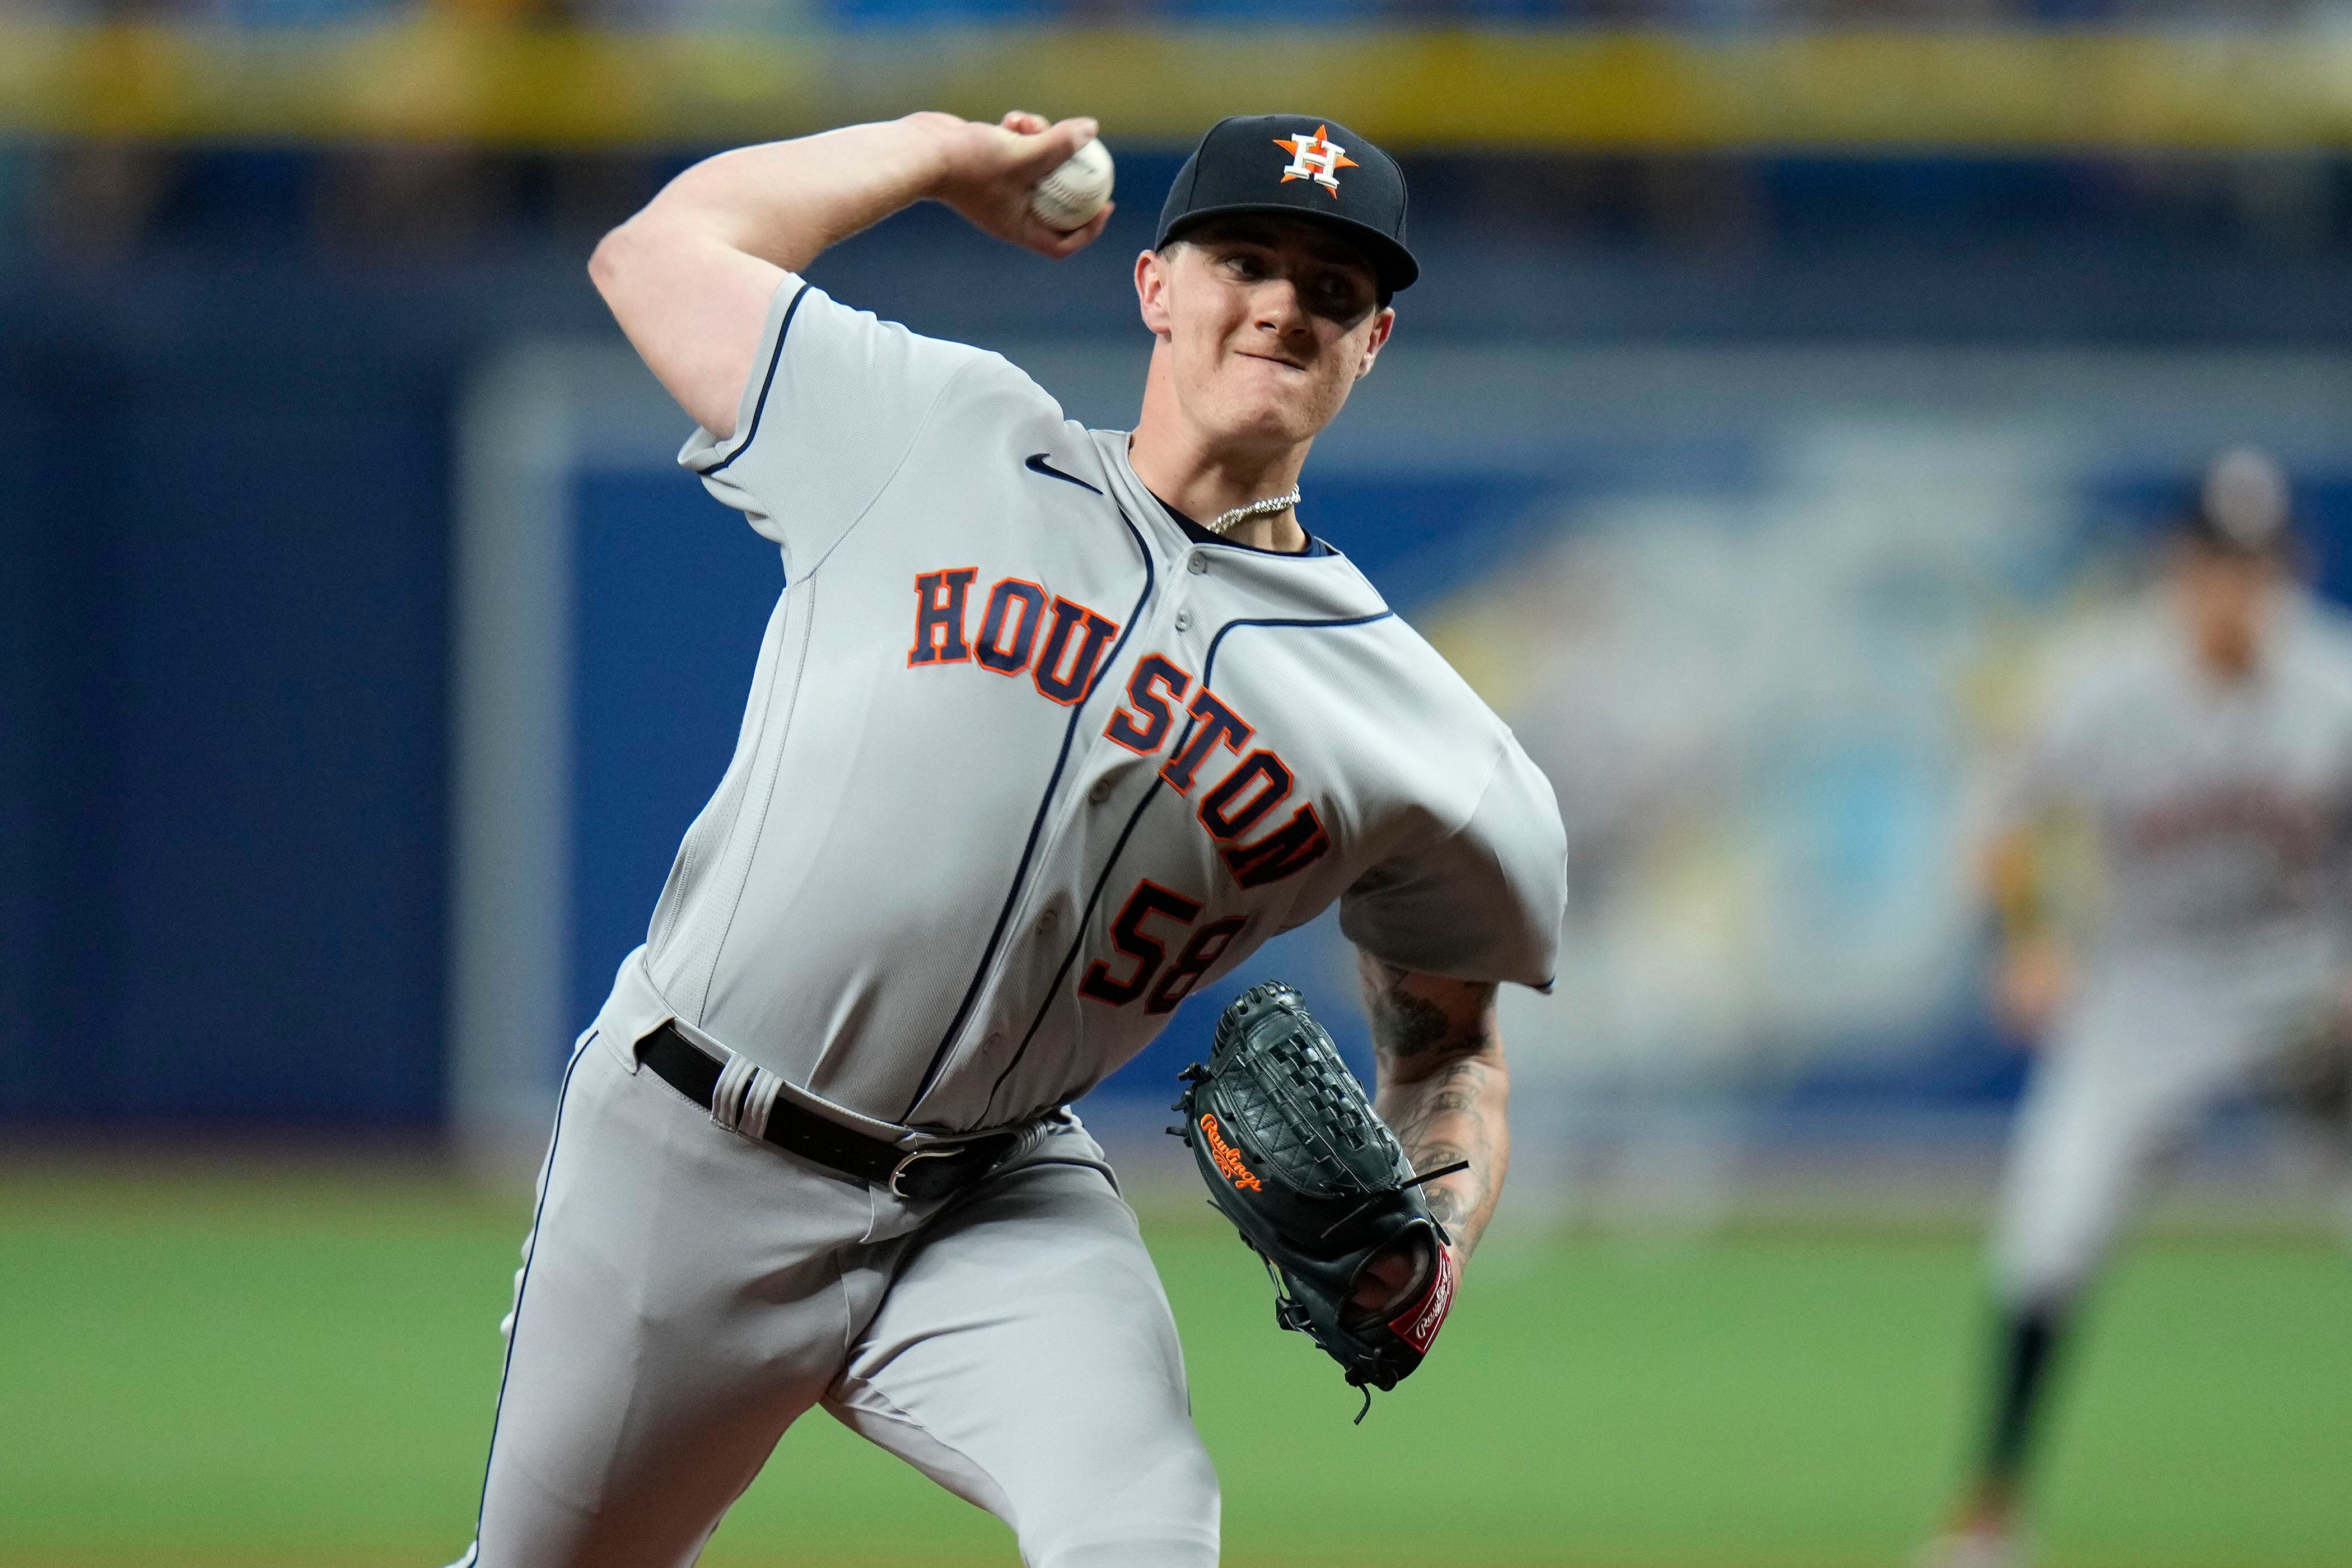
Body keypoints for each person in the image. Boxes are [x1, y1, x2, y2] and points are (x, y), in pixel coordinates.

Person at [444, 109, 1567, 1568]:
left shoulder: (1431, 742)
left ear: (1376, 344)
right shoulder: (936, 433)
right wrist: (936, 149)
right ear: (1157, 285)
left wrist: (1442, 1244)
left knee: (1147, 1526)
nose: (1286, 300)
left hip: (993, 1196)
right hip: (691, 1151)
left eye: (1334, 287)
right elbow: (657, 254)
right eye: (1246, 259)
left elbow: (1450, 1048)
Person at [1920, 449, 2352, 1568]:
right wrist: (2027, 939)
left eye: (2256, 564)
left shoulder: (2332, 685)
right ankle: (1988, 1514)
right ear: (2178, 567)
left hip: (2294, 978)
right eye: (2217, 563)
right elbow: (2000, 818)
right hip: (2144, 983)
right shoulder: (2100, 680)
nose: (2236, 587)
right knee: (2048, 1233)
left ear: (2291, 567)